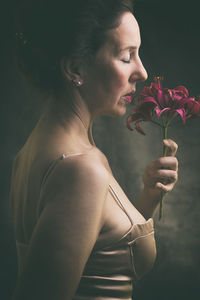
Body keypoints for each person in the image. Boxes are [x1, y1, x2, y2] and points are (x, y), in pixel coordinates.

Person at [10, 0, 178, 299]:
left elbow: (98, 258)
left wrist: (149, 196)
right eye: (128, 56)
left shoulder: (40, 149)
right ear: (76, 68)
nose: (142, 71)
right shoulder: (79, 168)